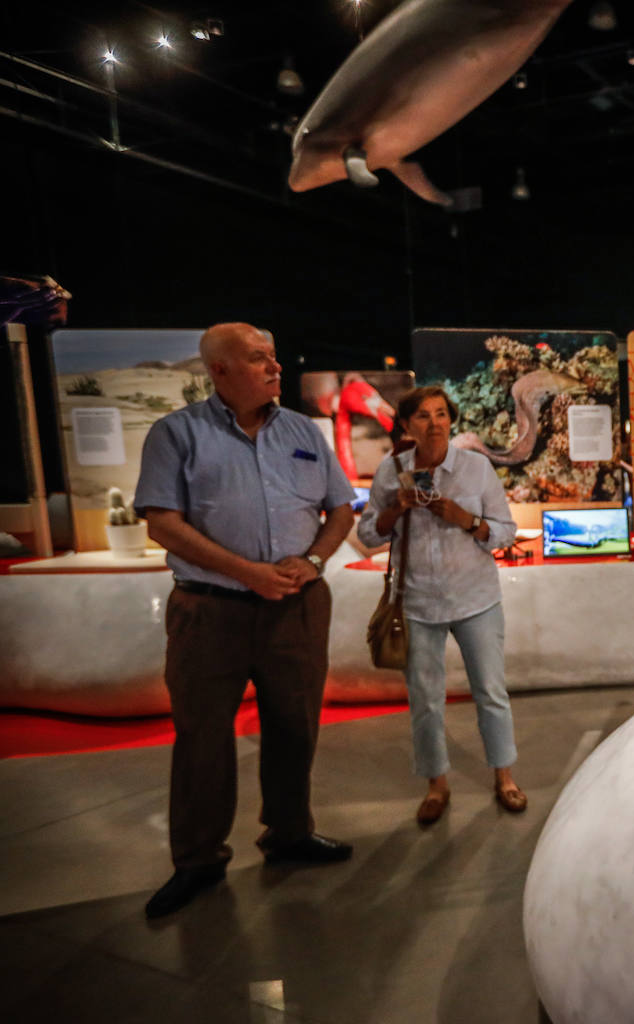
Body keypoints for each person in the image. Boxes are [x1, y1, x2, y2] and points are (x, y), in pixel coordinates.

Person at [135, 322, 358, 919]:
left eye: (274, 358)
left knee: (295, 725)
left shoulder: (301, 430)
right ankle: (198, 860)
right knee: (203, 737)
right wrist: (247, 571)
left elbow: (340, 508)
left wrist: (313, 560)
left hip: (297, 607)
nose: (274, 368)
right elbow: (162, 522)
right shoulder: (175, 434)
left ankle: (289, 834)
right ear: (220, 370)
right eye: (259, 359)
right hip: (210, 613)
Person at [357, 385, 526, 824]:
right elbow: (369, 536)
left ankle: (504, 776)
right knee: (426, 700)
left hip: (476, 599)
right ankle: (436, 784)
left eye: (441, 414)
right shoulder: (391, 471)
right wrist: (395, 508)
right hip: (416, 602)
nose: (434, 424)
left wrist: (466, 520)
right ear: (407, 426)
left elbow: (506, 532)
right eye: (423, 416)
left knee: (490, 691)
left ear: (451, 420)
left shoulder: (476, 468)